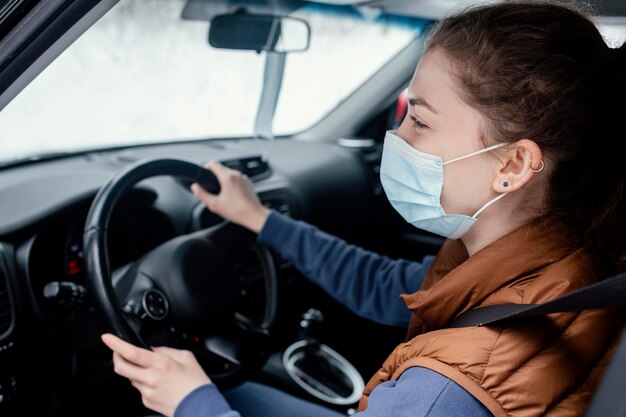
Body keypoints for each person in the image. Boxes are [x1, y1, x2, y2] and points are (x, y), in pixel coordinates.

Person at [101, 1, 626, 416]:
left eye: (418, 121)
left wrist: (193, 403)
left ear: (512, 164)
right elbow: (391, 287)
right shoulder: (563, 261)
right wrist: (260, 220)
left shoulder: (442, 393)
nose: (394, 139)